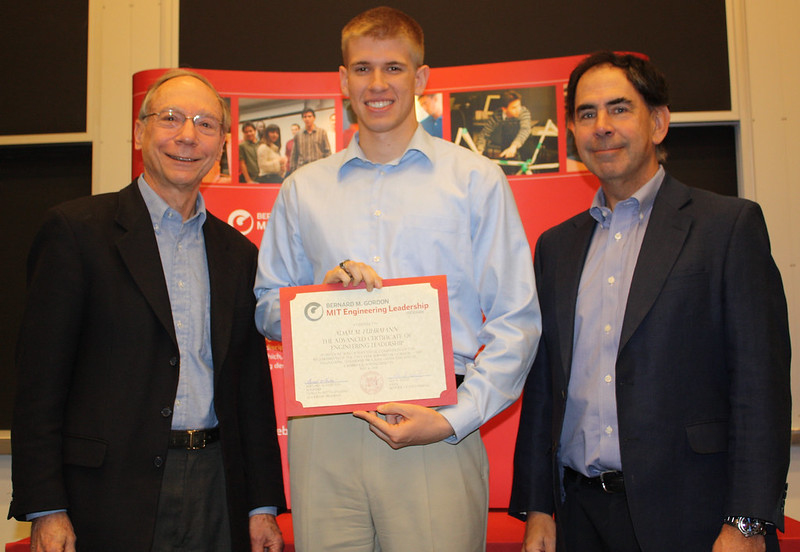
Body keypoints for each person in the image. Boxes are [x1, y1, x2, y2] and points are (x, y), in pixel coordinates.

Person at [254, 6, 539, 551]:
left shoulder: (474, 180)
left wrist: (459, 416)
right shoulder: (302, 189)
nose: (377, 84)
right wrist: (317, 301)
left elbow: (516, 319)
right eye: (362, 69)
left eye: (394, 68)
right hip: (325, 427)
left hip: (437, 422)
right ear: (342, 81)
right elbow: (267, 307)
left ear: (422, 79)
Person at [509, 51, 791, 552]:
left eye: (619, 109)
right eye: (586, 114)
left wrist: (747, 522)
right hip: (579, 516)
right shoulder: (557, 246)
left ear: (658, 122)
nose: (602, 127)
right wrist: (538, 507)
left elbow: (760, 385)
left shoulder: (726, 227)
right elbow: (544, 387)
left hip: (696, 516)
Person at [9, 69, 286, 552]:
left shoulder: (237, 253)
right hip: (107, 494)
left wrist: (261, 505)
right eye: (171, 118)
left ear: (221, 144)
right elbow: (39, 383)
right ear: (140, 132)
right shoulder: (76, 233)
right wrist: (46, 506)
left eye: (204, 124)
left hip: (217, 484)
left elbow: (250, 389)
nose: (186, 135)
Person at [475, 90, 532, 164]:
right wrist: (479, 150)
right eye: (514, 108)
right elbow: (484, 133)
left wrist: (514, 146)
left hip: (525, 145)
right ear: (504, 109)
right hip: (506, 145)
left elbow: (525, 130)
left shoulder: (523, 112)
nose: (518, 109)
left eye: (519, 105)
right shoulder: (497, 115)